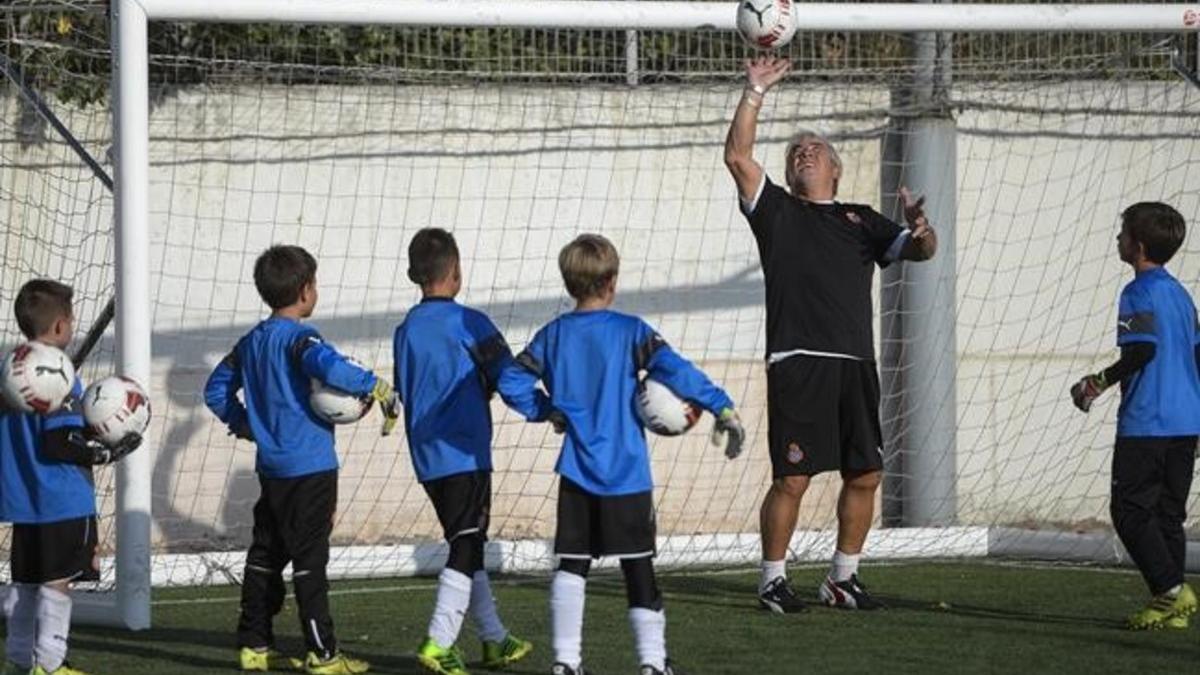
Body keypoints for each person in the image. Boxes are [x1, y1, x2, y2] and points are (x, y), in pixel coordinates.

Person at [723, 55, 938, 613]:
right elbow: (738, 156)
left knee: (866, 473)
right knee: (793, 478)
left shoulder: (862, 219)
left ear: (836, 169)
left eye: (815, 148)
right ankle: (773, 578)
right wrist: (754, 90)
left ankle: (843, 578)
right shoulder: (776, 212)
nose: (804, 152)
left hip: (855, 365)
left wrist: (921, 228)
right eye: (797, 150)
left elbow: (921, 251)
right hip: (799, 361)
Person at [499, 233, 745, 675]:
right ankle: (652, 664)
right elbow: (677, 371)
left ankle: (566, 663)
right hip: (627, 473)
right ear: (611, 282)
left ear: (569, 282)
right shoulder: (632, 331)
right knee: (637, 567)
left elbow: (511, 381)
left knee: (571, 566)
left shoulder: (552, 335)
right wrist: (720, 405)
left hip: (576, 470)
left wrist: (549, 410)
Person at [205, 245, 399, 674]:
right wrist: (377, 386)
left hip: (272, 468)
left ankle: (253, 645)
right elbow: (329, 367)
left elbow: (214, 391)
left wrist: (245, 423)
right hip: (311, 468)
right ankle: (322, 654)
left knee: (266, 553)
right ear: (306, 290)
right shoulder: (302, 340)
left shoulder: (251, 342)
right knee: (311, 560)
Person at [392, 228, 533, 675]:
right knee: (467, 542)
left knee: (466, 543)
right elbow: (508, 379)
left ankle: (494, 639)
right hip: (466, 454)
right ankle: (439, 641)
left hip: (427, 457)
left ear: (416, 274)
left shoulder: (405, 330)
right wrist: (547, 408)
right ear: (455, 271)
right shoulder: (471, 323)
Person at [0, 279, 142, 675]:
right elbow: (60, 443)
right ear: (61, 326)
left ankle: (19, 656)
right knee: (58, 585)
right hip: (62, 500)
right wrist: (106, 451)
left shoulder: (7, 369)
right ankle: (51, 662)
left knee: (27, 585)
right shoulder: (58, 375)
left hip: (23, 503)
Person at [1069, 202, 1200, 629]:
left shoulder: (1137, 291)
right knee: (1167, 515)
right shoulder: (1181, 295)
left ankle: (1171, 591)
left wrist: (1096, 382)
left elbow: (1143, 350)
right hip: (1187, 420)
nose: (1118, 240)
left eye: (1122, 233)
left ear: (1138, 246)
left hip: (1148, 420)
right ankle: (1173, 612)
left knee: (1128, 510)